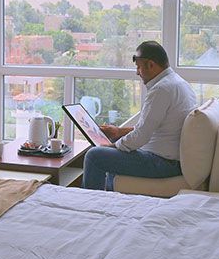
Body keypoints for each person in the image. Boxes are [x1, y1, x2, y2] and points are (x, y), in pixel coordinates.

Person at [82, 40, 200, 191]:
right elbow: (150, 127)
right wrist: (118, 132)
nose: (137, 72)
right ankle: (108, 200)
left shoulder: (161, 90)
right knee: (111, 153)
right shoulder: (178, 83)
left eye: (139, 67)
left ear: (150, 65)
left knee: (94, 156)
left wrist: (113, 146)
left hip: (162, 163)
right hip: (170, 159)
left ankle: (90, 205)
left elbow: (142, 136)